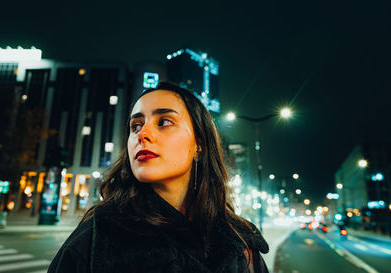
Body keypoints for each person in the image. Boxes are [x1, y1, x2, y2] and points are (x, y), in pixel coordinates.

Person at [48, 82, 269, 273]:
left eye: (164, 122)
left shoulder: (240, 241)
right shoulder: (97, 236)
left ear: (199, 144)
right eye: (135, 126)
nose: (142, 134)